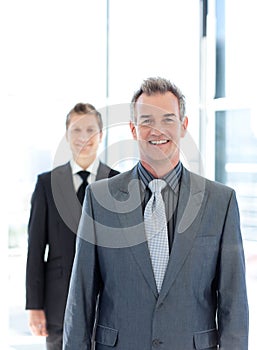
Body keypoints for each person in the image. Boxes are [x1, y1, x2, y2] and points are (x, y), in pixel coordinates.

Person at [63, 78, 249, 350]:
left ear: (183, 127)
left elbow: (234, 302)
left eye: (168, 120)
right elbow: (81, 297)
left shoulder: (220, 201)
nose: (157, 130)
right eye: (146, 120)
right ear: (133, 129)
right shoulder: (99, 199)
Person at [25, 102, 119, 350]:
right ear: (67, 136)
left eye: (90, 129)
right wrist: (34, 306)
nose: (83, 137)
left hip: (109, 307)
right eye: (76, 130)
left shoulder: (119, 183)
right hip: (58, 306)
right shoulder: (47, 184)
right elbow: (35, 249)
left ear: (101, 135)